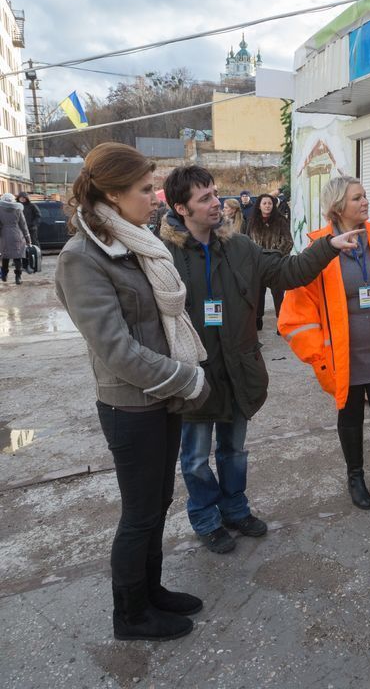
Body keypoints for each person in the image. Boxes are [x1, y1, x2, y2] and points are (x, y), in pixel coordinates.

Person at [160, 166, 362, 552]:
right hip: (194, 378)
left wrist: (328, 247)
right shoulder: (163, 256)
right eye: (204, 198)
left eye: (215, 194)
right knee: (197, 458)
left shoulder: (239, 247)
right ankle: (205, 517)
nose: (216, 203)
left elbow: (288, 271)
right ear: (180, 208)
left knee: (234, 451)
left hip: (238, 371)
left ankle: (235, 509)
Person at [54, 143, 211, 641]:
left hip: (159, 397)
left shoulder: (135, 241)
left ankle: (152, 590)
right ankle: (130, 614)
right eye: (146, 189)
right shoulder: (83, 258)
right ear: (114, 194)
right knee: (139, 511)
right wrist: (187, 377)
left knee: (159, 498)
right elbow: (115, 349)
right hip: (129, 403)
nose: (156, 196)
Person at [279, 177, 370, 510]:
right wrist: (318, 354)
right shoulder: (320, 249)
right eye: (357, 198)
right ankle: (356, 477)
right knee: (350, 419)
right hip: (345, 357)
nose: (365, 202)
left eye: (365, 196)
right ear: (338, 206)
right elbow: (297, 310)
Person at [247, 193, 293, 332]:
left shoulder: (280, 221)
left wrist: (275, 257)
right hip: (258, 264)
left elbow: (288, 242)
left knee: (278, 295)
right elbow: (247, 241)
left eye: (270, 203)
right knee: (257, 294)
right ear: (259, 206)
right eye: (264, 203)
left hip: (276, 265)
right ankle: (257, 320)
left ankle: (281, 323)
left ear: (273, 206)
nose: (267, 206)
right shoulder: (252, 221)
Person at [0, 192, 31, 284]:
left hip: (4, 235)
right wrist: (28, 238)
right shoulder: (18, 210)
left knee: (5, 256)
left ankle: (4, 275)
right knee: (18, 256)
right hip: (17, 234)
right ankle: (18, 277)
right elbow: (23, 225)